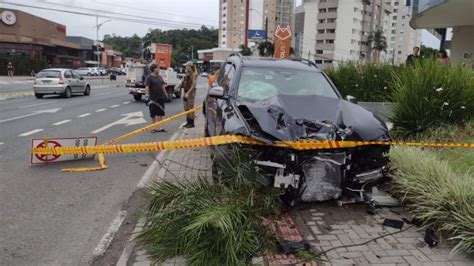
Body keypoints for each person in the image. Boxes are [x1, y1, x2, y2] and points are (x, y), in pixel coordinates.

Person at [144, 63, 168, 133]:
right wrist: (146, 96)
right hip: (153, 99)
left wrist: (166, 94)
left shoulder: (159, 77)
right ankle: (153, 128)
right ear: (154, 69)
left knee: (160, 113)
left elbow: (162, 86)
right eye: (158, 68)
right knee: (153, 114)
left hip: (161, 97)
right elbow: (147, 87)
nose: (159, 69)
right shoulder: (149, 77)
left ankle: (159, 127)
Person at [181, 61, 197, 128]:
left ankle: (191, 123)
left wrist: (188, 93)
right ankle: (188, 122)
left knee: (190, 107)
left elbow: (193, 85)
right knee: (186, 108)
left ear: (190, 67)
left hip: (190, 92)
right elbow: (183, 81)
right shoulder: (187, 73)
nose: (186, 67)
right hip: (185, 91)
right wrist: (178, 86)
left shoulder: (194, 74)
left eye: (187, 66)